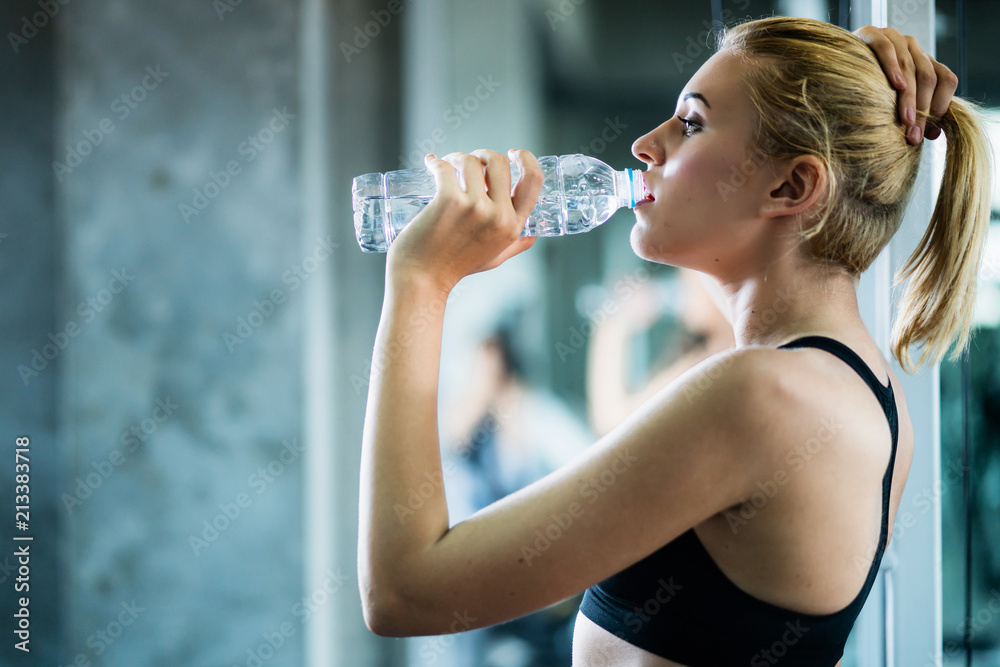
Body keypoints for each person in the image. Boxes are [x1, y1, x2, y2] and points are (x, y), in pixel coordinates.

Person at [357, 17, 991, 667]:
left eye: (690, 123)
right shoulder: (862, 394)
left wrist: (421, 282)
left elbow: (406, 590)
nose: (641, 145)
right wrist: (847, 77)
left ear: (792, 186)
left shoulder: (763, 394)